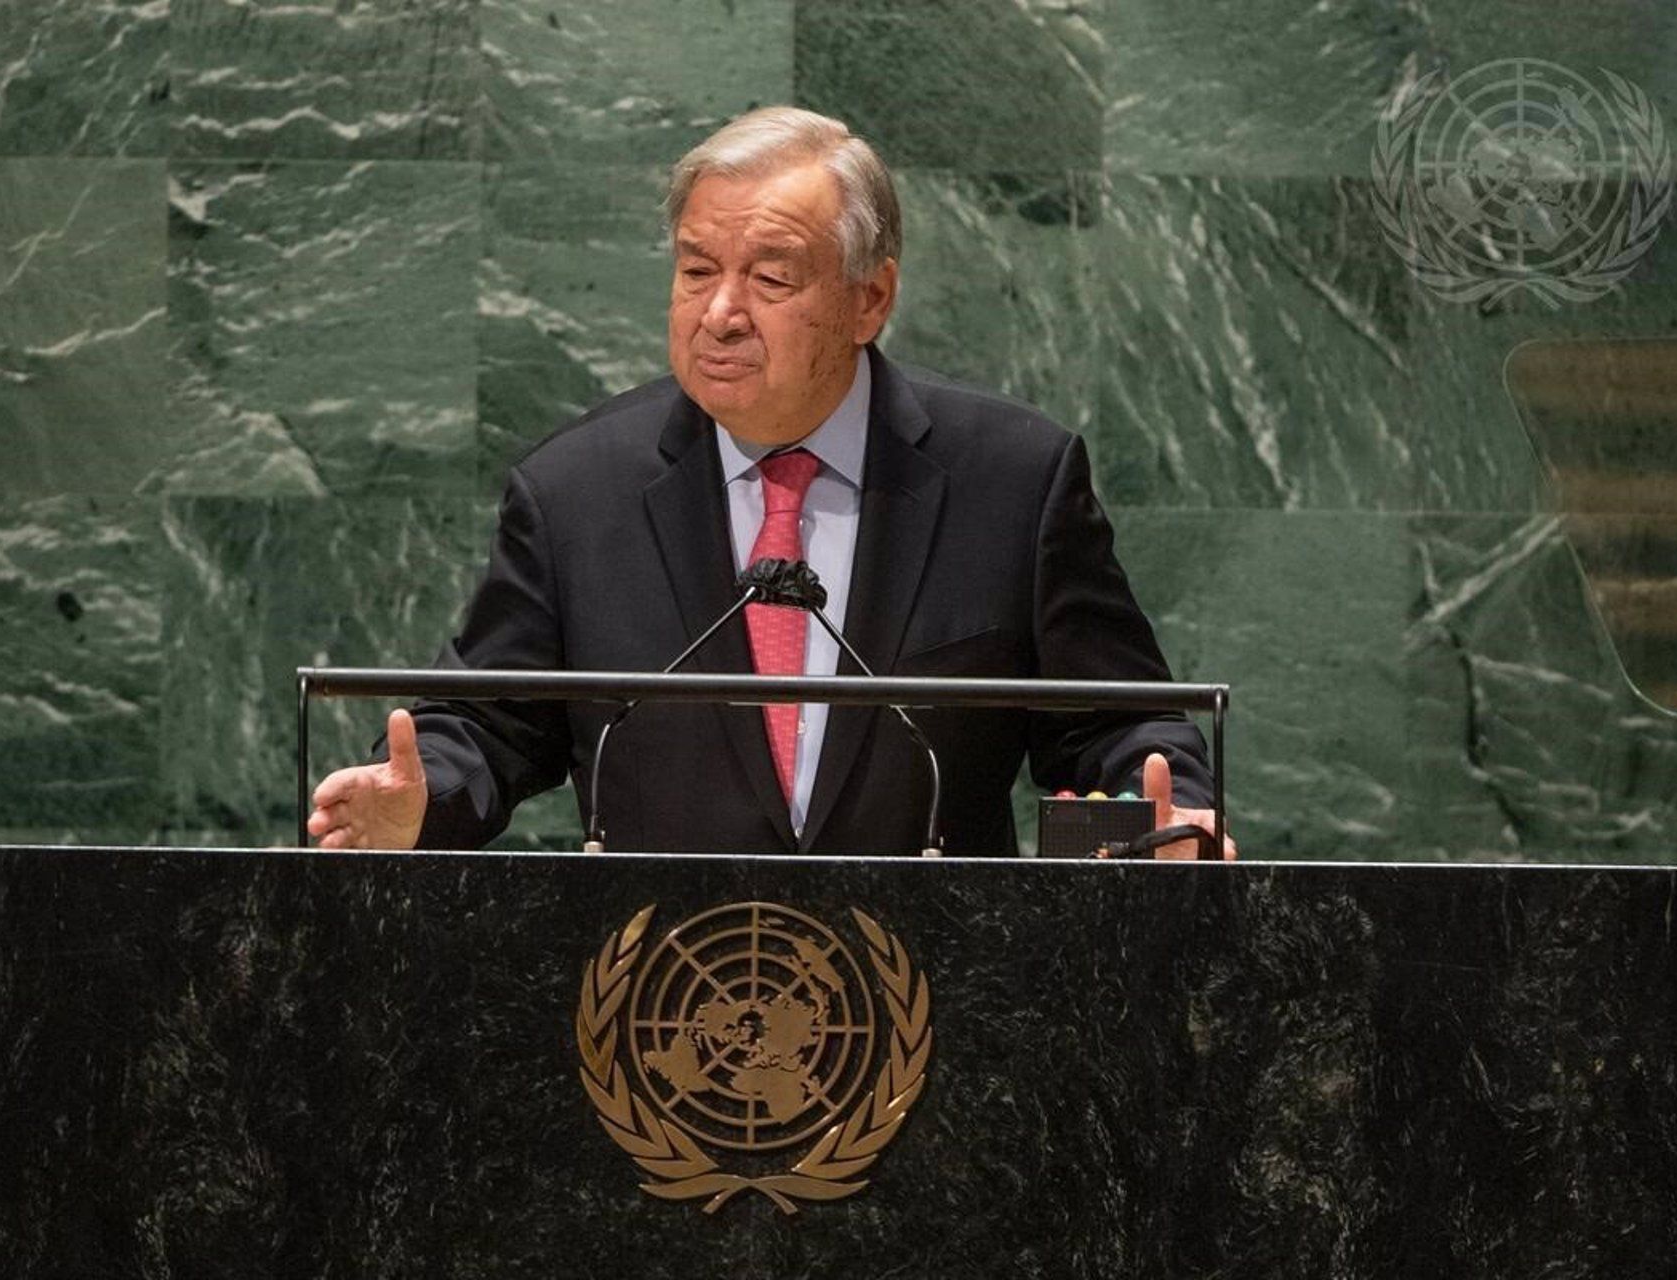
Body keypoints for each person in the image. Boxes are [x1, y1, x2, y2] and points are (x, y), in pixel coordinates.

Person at [307, 106, 1234, 859]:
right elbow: (485, 727)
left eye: (770, 279)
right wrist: (419, 802)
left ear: (871, 298)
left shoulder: (1013, 481)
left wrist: (1170, 809)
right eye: (697, 270)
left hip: (943, 1006)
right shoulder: (575, 494)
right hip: (660, 1012)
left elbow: (1120, 723)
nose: (719, 313)